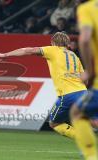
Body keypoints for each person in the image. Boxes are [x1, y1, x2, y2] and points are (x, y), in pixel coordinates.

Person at [0, 31, 87, 140]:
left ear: (53, 42)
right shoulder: (74, 56)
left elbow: (28, 50)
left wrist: (5, 55)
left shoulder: (53, 50)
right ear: (67, 43)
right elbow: (84, 77)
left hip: (67, 95)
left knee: (54, 123)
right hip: (83, 92)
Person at [70, 0, 98, 159]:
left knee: (78, 113)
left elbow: (85, 39)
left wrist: (90, 71)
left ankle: (91, 156)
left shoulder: (87, 9)